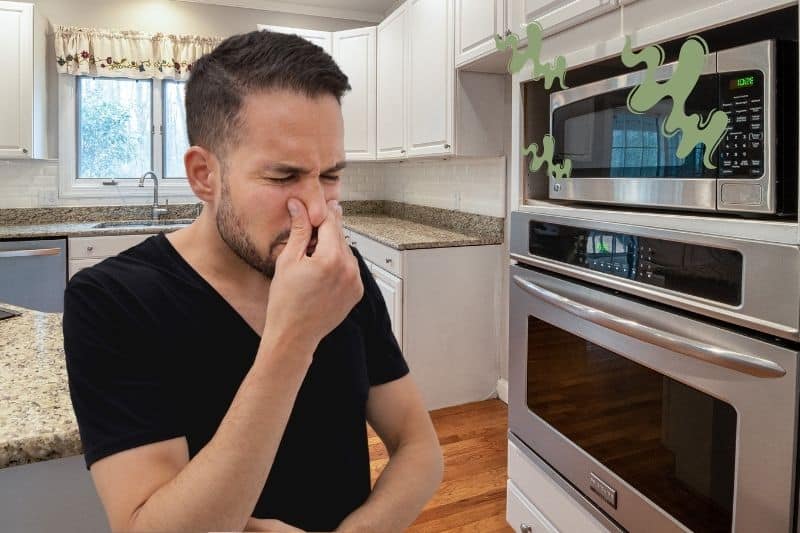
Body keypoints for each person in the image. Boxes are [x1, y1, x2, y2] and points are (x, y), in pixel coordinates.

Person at [63, 29, 443, 533]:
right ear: (204, 175)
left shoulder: (339, 274)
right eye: (284, 177)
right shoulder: (111, 302)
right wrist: (295, 337)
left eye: (330, 175)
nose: (314, 207)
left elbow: (420, 447)